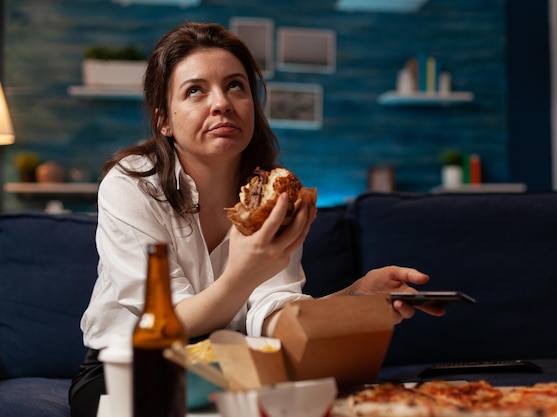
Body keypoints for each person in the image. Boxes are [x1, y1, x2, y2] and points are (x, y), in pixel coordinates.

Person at [68, 21, 443, 417]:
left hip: (225, 366)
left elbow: (272, 314)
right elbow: (169, 324)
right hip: (128, 368)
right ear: (164, 120)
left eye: (235, 86)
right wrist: (246, 270)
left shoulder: (277, 195)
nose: (221, 103)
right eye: (195, 90)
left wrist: (354, 300)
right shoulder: (131, 184)